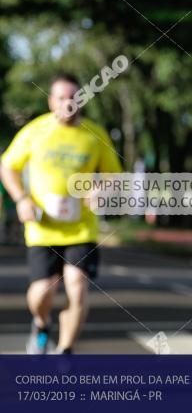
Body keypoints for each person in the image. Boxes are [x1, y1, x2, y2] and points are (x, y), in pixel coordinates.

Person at [0, 72, 123, 354]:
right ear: (50, 101)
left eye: (74, 97)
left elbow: (114, 176)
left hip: (81, 227)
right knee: (42, 291)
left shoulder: (94, 134)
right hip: (43, 227)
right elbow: (7, 166)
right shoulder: (35, 130)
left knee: (77, 286)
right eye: (62, 98)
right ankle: (41, 323)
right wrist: (21, 198)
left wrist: (101, 190)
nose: (68, 103)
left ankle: (66, 353)